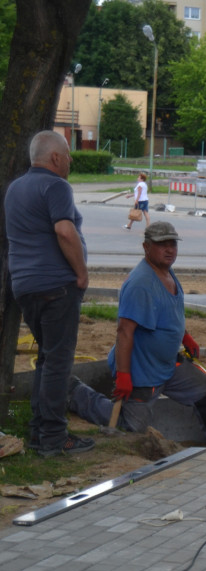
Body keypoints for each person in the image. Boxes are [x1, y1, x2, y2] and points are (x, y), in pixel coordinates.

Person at [68, 222, 206, 443]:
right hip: (142, 372)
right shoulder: (140, 284)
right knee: (131, 426)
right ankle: (75, 393)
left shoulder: (167, 273)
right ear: (146, 247)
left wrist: (185, 337)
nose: (169, 250)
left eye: (172, 244)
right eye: (162, 245)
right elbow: (124, 333)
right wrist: (124, 376)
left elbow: (169, 312)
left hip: (167, 366)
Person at [4, 130, 93, 457]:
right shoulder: (56, 186)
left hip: (25, 288)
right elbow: (64, 230)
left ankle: (38, 433)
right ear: (55, 157)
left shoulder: (15, 188)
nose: (70, 161)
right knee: (58, 363)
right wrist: (81, 274)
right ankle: (55, 438)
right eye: (68, 155)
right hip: (57, 287)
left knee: (47, 359)